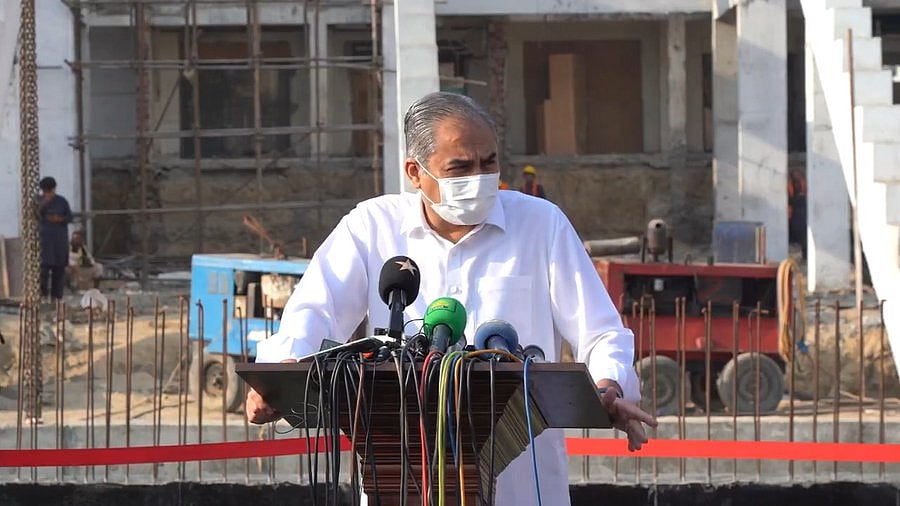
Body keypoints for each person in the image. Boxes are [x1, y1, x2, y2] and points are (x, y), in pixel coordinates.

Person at [246, 92, 655, 505]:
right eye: (460, 167)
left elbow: (601, 332)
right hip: (402, 474)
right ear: (414, 172)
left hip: (521, 482)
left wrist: (610, 385)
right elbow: (314, 311)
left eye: (489, 163)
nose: (479, 177)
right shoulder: (371, 227)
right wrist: (281, 374)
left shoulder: (541, 223)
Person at [37, 177, 73, 301]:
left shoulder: (61, 201)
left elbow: (70, 217)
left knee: (59, 270)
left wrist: (59, 219)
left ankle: (56, 298)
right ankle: (42, 296)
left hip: (59, 242)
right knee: (43, 271)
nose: (47, 194)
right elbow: (33, 215)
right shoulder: (38, 200)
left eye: (49, 191)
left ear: (54, 189)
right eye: (45, 191)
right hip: (43, 242)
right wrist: (43, 203)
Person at [787, 168, 807, 258]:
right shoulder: (789, 185)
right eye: (794, 174)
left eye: (798, 174)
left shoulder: (805, 184)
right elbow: (788, 199)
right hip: (793, 214)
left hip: (803, 213)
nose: (796, 176)